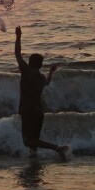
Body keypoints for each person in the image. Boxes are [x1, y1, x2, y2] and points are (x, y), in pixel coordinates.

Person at [14, 26, 69, 161]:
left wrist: (18, 36)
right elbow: (48, 82)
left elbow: (17, 53)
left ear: (30, 63)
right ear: (40, 65)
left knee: (28, 141)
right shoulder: (41, 77)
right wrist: (51, 71)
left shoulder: (26, 72)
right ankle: (34, 161)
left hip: (28, 110)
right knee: (34, 142)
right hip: (39, 112)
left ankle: (57, 148)